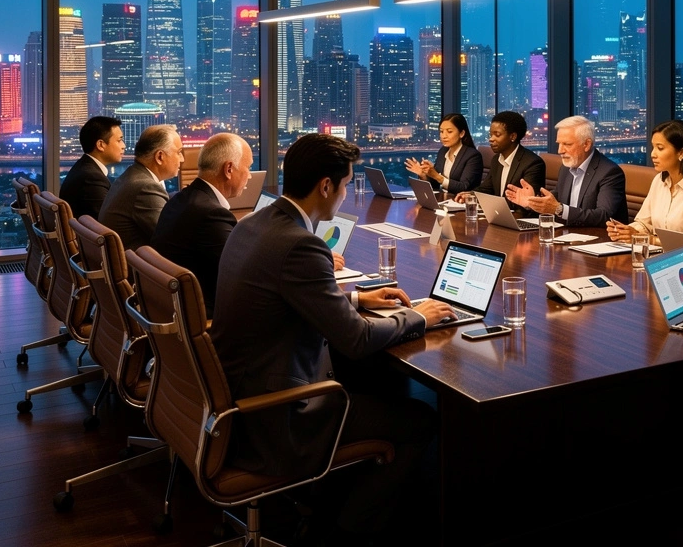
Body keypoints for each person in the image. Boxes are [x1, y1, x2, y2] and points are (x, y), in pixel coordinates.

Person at [211, 133, 454, 543]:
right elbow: (356, 340)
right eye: (344, 185)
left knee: (372, 383)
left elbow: (283, 293)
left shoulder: (254, 224)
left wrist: (357, 296)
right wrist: (417, 317)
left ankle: (330, 495)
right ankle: (349, 530)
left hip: (237, 399)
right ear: (326, 186)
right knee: (419, 420)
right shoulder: (301, 244)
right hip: (276, 419)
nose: (343, 195)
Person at [149, 133, 251, 318]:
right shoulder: (211, 214)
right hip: (201, 319)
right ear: (229, 169)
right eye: (248, 167)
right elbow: (243, 274)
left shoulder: (181, 198)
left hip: (168, 310)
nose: (250, 176)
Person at [605, 119, 683, 244]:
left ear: (681, 152)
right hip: (659, 255)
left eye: (660, 148)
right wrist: (626, 231)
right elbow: (644, 223)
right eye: (653, 147)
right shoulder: (659, 181)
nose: (653, 154)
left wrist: (649, 240)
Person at [506, 115, 628, 227]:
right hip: (569, 236)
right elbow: (556, 198)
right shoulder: (565, 168)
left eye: (567, 144)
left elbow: (604, 216)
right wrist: (532, 200)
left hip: (600, 240)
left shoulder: (609, 172)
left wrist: (559, 210)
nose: (560, 151)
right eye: (559, 144)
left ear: (586, 144)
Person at [98, 124, 183, 251]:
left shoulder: (131, 176)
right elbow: (172, 241)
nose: (182, 159)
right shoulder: (146, 188)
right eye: (179, 152)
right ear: (160, 157)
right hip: (138, 268)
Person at [466, 110, 545, 214]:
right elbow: (487, 188)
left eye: (497, 135)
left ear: (512, 136)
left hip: (522, 219)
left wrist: (490, 204)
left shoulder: (533, 163)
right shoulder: (496, 160)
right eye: (490, 135)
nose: (491, 139)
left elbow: (527, 201)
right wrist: (471, 195)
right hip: (499, 216)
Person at [59, 116, 123, 220]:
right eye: (119, 140)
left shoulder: (84, 167)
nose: (123, 146)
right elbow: (106, 222)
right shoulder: (92, 178)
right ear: (100, 145)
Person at [404, 112, 483, 194]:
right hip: (443, 199)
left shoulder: (472, 156)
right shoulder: (443, 151)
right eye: (441, 132)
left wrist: (437, 176)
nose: (444, 136)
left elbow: (464, 187)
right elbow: (435, 185)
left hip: (460, 202)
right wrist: (423, 175)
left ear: (461, 133)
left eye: (449, 132)